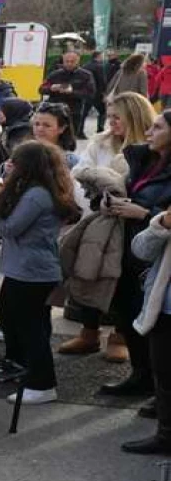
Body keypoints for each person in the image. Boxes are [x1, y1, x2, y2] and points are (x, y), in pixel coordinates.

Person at [0, 141, 82, 405]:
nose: (9, 166)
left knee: (31, 327)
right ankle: (18, 365)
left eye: (14, 162)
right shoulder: (36, 190)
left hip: (32, 271)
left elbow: (10, 228)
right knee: (9, 315)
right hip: (26, 268)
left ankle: (42, 383)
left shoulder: (36, 195)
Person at [94, 111, 171, 409]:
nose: (149, 132)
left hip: (157, 258)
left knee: (157, 327)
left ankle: (161, 394)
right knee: (129, 315)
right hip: (128, 248)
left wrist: (145, 215)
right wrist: (109, 201)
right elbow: (127, 190)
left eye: (157, 127)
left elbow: (161, 215)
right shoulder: (146, 160)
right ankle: (142, 376)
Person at [123, 204, 171, 454]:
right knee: (163, 374)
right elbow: (140, 250)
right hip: (163, 308)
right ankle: (165, 436)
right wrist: (162, 223)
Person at [39, 51, 95, 141]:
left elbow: (90, 93)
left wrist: (72, 92)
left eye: (72, 61)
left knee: (69, 141)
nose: (69, 64)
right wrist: (51, 88)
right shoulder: (55, 74)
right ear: (63, 61)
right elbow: (41, 89)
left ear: (78, 61)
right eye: (66, 61)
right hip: (54, 111)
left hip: (73, 112)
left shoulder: (86, 75)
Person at [31, 103, 79, 168]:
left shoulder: (70, 161)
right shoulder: (24, 154)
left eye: (47, 125)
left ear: (62, 128)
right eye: (37, 124)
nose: (40, 129)